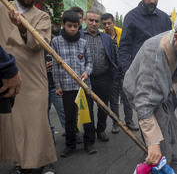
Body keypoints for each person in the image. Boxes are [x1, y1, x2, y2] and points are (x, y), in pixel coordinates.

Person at [123, 13, 177, 165]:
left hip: (164, 89)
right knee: (158, 138)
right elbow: (144, 104)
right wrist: (153, 144)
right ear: (176, 36)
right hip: (143, 94)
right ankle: (159, 171)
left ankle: (168, 154)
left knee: (171, 126)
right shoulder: (154, 53)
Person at [0, 0, 57, 174]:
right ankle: (20, 164)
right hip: (7, 76)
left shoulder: (42, 16)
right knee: (15, 122)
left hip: (34, 79)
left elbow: (40, 43)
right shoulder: (2, 7)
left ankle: (45, 161)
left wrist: (22, 27)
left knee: (38, 121)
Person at [52, 10, 96, 157]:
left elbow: (89, 62)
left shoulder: (83, 43)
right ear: (63, 24)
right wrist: (57, 85)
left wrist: (87, 72)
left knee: (87, 116)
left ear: (79, 25)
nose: (72, 29)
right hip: (67, 87)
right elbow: (55, 65)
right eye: (69, 26)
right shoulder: (56, 42)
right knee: (70, 118)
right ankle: (70, 145)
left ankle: (89, 143)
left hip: (83, 87)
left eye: (75, 26)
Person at [119, 0, 172, 74]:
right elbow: (124, 49)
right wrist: (128, 73)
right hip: (139, 73)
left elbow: (170, 45)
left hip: (161, 72)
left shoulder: (165, 18)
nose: (152, 0)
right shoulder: (131, 17)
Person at [84, 10, 119, 141]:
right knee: (87, 108)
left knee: (103, 107)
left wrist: (113, 74)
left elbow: (113, 57)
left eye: (96, 21)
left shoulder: (106, 38)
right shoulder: (79, 36)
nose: (94, 23)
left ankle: (101, 130)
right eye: (91, 20)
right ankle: (89, 134)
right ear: (84, 20)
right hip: (85, 79)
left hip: (104, 78)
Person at [101, 13, 139, 133]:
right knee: (114, 101)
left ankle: (130, 121)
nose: (107, 26)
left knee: (127, 99)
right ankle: (116, 123)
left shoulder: (122, 35)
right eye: (104, 24)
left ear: (114, 23)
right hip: (111, 75)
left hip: (125, 72)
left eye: (109, 23)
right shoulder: (102, 37)